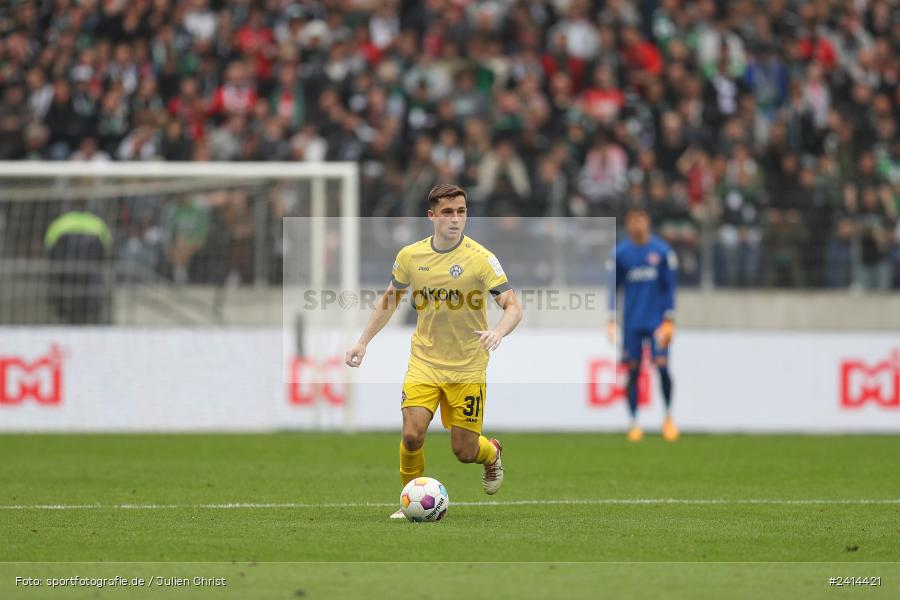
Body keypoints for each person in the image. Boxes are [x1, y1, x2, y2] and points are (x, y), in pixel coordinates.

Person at [345, 184, 522, 520]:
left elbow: (513, 306)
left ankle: (492, 452)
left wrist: (498, 331)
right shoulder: (410, 257)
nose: (456, 219)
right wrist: (363, 341)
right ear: (432, 216)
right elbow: (389, 300)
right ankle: (407, 502)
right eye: (448, 212)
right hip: (424, 361)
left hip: (468, 367)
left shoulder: (482, 259)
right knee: (412, 435)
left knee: (464, 451)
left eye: (461, 212)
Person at [607, 204, 678, 442]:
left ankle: (668, 418)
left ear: (647, 221)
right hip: (632, 323)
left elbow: (669, 287)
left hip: (657, 322)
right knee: (634, 371)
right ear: (628, 223)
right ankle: (634, 422)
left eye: (641, 219)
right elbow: (612, 288)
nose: (637, 224)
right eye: (632, 220)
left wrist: (670, 318)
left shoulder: (661, 251)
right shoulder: (621, 253)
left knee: (662, 366)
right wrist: (610, 318)